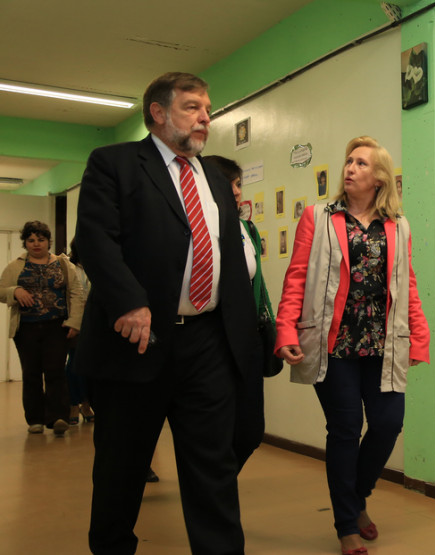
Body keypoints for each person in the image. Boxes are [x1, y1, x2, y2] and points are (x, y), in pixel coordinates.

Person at [75, 72, 257, 554]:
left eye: (207, 109)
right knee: (122, 466)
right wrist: (130, 300)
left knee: (213, 465)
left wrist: (248, 335)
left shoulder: (215, 180)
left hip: (206, 343)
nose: (205, 118)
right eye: (193, 107)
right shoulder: (114, 164)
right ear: (157, 112)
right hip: (137, 342)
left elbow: (231, 261)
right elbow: (94, 240)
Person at [275, 136, 430, 555]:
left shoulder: (399, 225)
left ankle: (357, 497)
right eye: (348, 161)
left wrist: (420, 334)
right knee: (344, 430)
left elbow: (407, 284)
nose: (350, 168)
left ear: (379, 178)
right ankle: (346, 523)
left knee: (387, 424)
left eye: (361, 163)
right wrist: (285, 330)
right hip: (334, 344)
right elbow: (296, 277)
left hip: (383, 344)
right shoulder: (319, 217)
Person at [204, 154, 277, 470]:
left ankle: (218, 483)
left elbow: (256, 282)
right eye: (229, 183)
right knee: (212, 428)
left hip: (246, 337)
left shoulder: (247, 228)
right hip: (207, 337)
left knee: (249, 430)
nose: (236, 191)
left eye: (238, 184)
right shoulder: (194, 225)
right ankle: (214, 493)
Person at [0, 221, 85, 436]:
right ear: (25, 243)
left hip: (57, 326)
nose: (36, 244)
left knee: (56, 371)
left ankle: (58, 418)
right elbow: (1, 290)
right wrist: (15, 291)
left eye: (41, 239)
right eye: (31, 240)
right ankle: (35, 420)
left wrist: (75, 322)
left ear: (48, 241)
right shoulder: (15, 266)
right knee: (31, 373)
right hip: (26, 329)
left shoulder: (64, 265)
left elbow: (76, 293)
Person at [64, 239, 94, 426]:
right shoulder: (69, 267)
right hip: (75, 323)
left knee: (91, 368)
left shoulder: (97, 266)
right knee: (73, 366)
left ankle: (86, 404)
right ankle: (73, 404)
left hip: (94, 325)